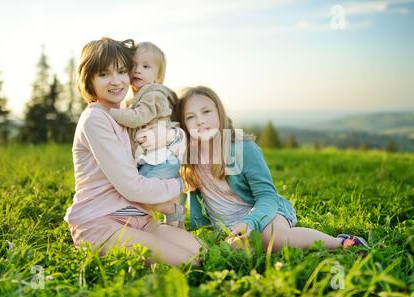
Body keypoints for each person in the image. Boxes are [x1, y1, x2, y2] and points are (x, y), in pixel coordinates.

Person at [176, 85, 369, 252]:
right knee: (244, 249)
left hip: (266, 212)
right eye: (191, 117)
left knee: (272, 239)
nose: (200, 120)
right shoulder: (187, 155)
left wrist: (251, 223)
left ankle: (343, 242)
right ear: (183, 124)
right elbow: (176, 193)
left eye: (206, 112)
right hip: (228, 227)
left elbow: (267, 197)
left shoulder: (243, 149)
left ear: (219, 112)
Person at [64, 37, 201, 266]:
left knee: (202, 252)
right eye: (104, 74)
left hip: (139, 218)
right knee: (190, 264)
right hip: (99, 221)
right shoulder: (96, 118)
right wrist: (179, 185)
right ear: (90, 80)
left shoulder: (127, 115)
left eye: (121, 71)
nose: (115, 81)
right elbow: (131, 186)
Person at [108, 42, 187, 227]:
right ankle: (175, 221)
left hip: (162, 160)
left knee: (142, 194)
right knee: (142, 195)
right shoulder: (134, 98)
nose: (137, 70)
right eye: (133, 65)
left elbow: (137, 118)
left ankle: (175, 209)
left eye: (145, 66)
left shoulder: (154, 95)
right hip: (150, 159)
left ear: (158, 77)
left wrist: (107, 112)